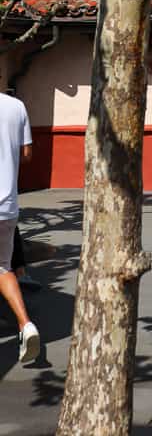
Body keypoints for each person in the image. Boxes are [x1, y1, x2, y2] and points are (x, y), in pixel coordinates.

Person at [0, 90, 40, 362]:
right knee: (3, 267)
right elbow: (27, 154)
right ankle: (26, 324)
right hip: (7, 206)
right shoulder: (16, 106)